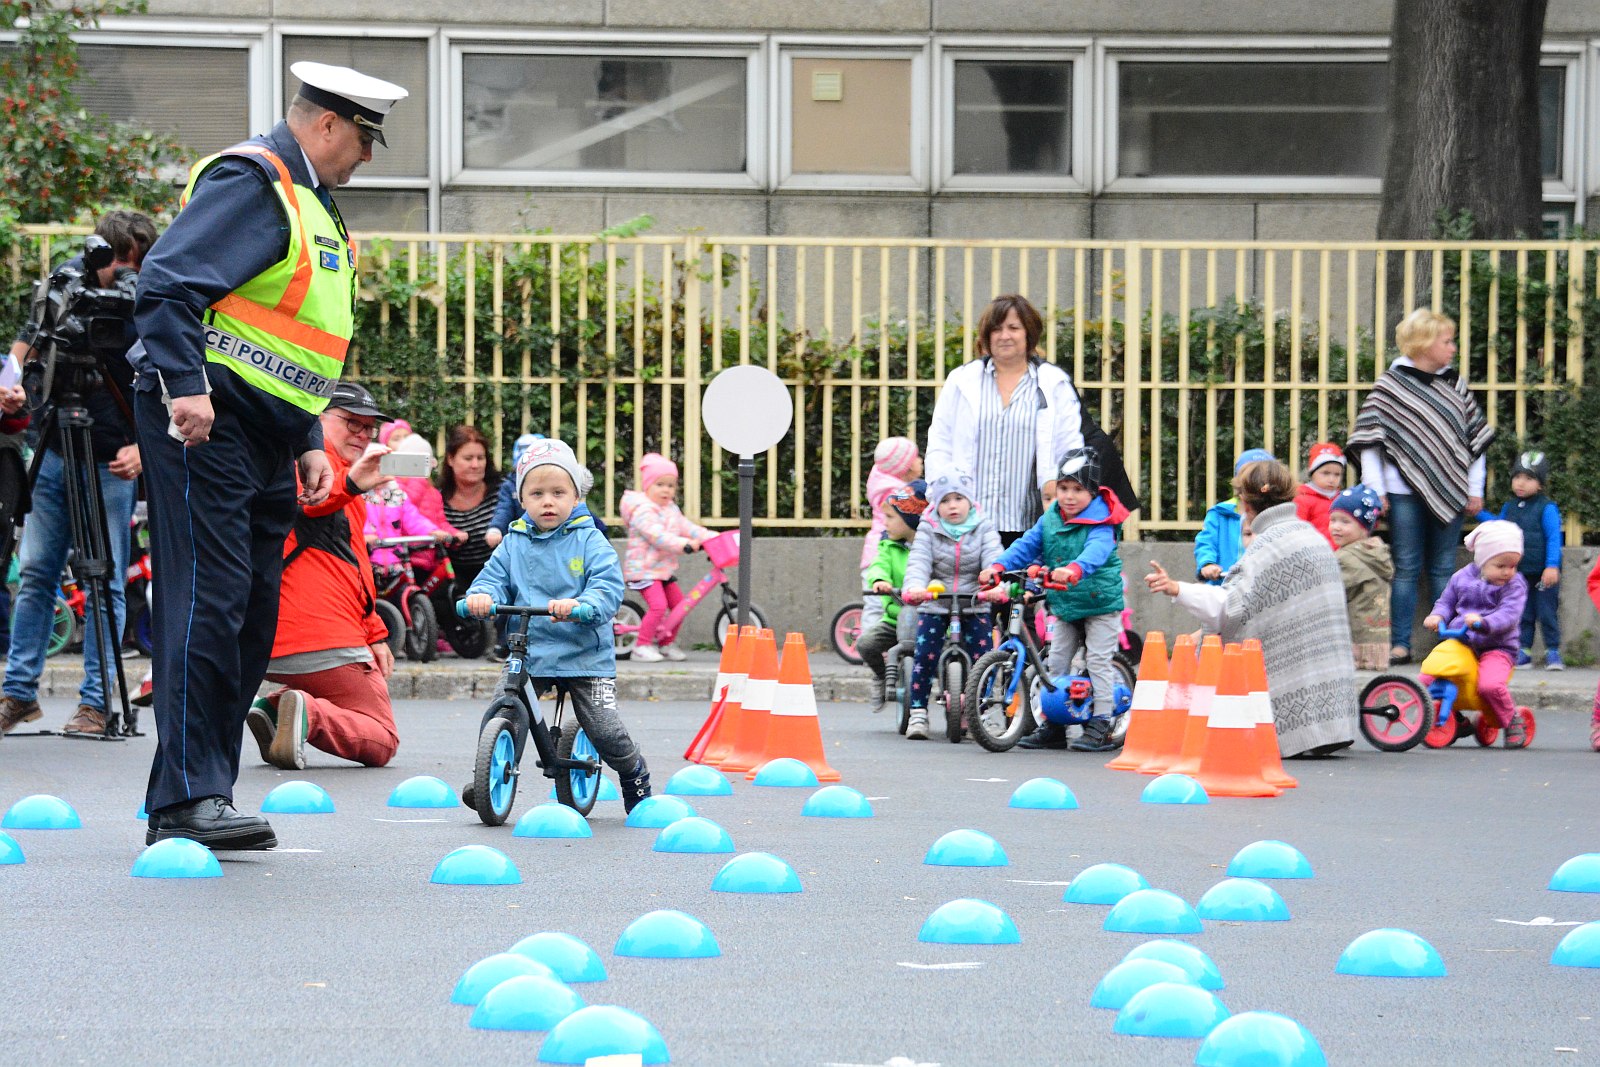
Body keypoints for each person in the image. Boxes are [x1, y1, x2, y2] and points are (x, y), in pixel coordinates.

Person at [129, 61, 408, 849]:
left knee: (252, 611)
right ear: (326, 124)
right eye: (363, 138)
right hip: (205, 423)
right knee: (208, 601)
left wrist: (305, 440)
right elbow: (166, 283)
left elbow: (291, 344)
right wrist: (186, 385)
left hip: (264, 434)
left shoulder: (313, 205)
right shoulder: (257, 182)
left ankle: (205, 791)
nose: (367, 156)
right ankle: (186, 798)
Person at [0, 211, 154, 738]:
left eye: (137, 264)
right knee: (37, 572)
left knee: (105, 579)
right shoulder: (69, 283)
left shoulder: (150, 297)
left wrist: (144, 449)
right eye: (121, 262)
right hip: (54, 447)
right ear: (101, 253)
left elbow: (167, 378)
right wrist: (11, 383)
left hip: (112, 458)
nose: (127, 274)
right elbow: (28, 340)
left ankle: (95, 704)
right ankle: (19, 693)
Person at [462, 438, 652, 811]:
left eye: (558, 492)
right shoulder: (514, 542)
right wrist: (480, 597)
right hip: (530, 649)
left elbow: (607, 586)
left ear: (576, 496)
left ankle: (634, 772)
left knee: (604, 728)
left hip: (585, 653)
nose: (548, 502)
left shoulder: (590, 539)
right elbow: (492, 578)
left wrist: (583, 605)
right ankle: (489, 773)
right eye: (537, 493)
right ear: (522, 499)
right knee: (504, 708)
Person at [1145, 458, 1357, 757]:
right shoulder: (1312, 537)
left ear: (1245, 503)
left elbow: (1228, 609)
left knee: (1213, 647)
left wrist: (1177, 589)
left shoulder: (1267, 546)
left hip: (1292, 718)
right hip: (1335, 712)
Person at [247, 382, 400, 771]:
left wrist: (375, 634)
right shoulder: (307, 464)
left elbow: (354, 569)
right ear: (318, 420)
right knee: (382, 739)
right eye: (352, 422)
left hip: (272, 638)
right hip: (324, 637)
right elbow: (309, 498)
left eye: (369, 428)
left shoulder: (340, 474)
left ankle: (274, 709)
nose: (362, 434)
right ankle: (307, 712)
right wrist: (349, 484)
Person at [1346, 308, 1493, 664]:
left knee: (1444, 568)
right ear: (1425, 344)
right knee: (1407, 567)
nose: (1453, 348)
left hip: (1451, 490)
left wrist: (1475, 489)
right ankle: (1400, 644)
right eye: (1447, 341)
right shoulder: (1390, 385)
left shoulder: (1454, 385)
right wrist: (1376, 490)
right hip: (1401, 492)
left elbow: (1474, 443)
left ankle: (1450, 643)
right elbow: (1371, 443)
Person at [985, 446, 1131, 753]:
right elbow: (1027, 544)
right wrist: (998, 566)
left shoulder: (1102, 520)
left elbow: (1097, 550)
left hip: (1099, 603)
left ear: (1093, 492)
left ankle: (1102, 722)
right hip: (1065, 604)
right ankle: (1054, 723)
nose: (1069, 496)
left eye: (1078, 490)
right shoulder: (1051, 517)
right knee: (1056, 661)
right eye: (1063, 489)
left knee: (1097, 660)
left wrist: (1075, 569)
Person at [924, 295, 1085, 546]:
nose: (1004, 336)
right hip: (969, 525)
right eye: (996, 329)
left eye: (1013, 328)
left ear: (1029, 333)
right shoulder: (961, 381)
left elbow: (1070, 447)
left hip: (1030, 527)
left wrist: (1063, 493)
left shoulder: (1053, 383)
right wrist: (941, 492)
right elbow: (939, 442)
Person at [900, 468, 1002, 740]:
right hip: (936, 600)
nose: (952, 506)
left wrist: (996, 586)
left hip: (974, 600)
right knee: (925, 655)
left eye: (958, 498)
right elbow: (919, 561)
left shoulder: (983, 526)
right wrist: (915, 588)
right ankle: (918, 712)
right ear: (936, 505)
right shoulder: (928, 526)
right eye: (945, 500)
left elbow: (994, 558)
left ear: (970, 501)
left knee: (984, 657)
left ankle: (983, 712)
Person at [1420, 520, 1531, 747]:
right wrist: (1437, 616)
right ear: (1482, 559)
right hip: (1463, 641)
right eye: (1501, 565)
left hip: (1498, 646)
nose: (1508, 572)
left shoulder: (1514, 585)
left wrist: (1485, 622)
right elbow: (1446, 602)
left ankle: (1512, 720)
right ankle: (1454, 719)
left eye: (1513, 566)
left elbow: (1509, 614)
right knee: (1429, 675)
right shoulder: (1461, 577)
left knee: (1489, 686)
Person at [619, 452, 715, 662]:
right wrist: (685, 545)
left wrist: (711, 537)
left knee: (680, 606)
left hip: (662, 569)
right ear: (647, 486)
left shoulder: (671, 509)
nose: (666, 490)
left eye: (671, 485)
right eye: (660, 484)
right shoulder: (643, 510)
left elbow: (687, 527)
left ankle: (665, 643)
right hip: (643, 569)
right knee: (658, 606)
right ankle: (641, 646)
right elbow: (658, 536)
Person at [1478, 450, 1563, 670]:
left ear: (1540, 484)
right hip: (1520, 572)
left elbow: (1554, 538)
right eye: (1517, 477)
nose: (1521, 483)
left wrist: (1552, 566)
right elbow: (1498, 525)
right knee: (1522, 611)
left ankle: (1553, 651)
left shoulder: (1547, 508)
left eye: (1529, 478)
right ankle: (1523, 651)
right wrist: (1479, 513)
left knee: (1547, 612)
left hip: (1543, 573)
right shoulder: (1510, 507)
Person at [859, 480, 925, 709]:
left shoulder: (929, 547)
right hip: (895, 618)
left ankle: (954, 695)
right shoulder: (888, 545)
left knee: (947, 653)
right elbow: (878, 564)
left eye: (890, 517)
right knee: (866, 644)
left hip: (928, 617)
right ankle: (882, 676)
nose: (885, 523)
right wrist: (880, 580)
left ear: (910, 519)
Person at [1327, 486, 1393, 671]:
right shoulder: (1375, 552)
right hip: (1377, 639)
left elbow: (1327, 593)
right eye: (1333, 520)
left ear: (1364, 528)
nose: (1336, 527)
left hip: (1353, 642)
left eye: (1345, 521)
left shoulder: (1346, 558)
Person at [1194, 448, 1274, 585]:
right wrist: (1207, 563)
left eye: (1263, 477)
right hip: (1223, 584)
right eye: (1249, 475)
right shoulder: (1219, 512)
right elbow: (1206, 542)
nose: (1256, 481)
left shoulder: (1276, 513)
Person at [440, 424, 501, 590]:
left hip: (499, 579)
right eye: (468, 458)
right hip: (454, 585)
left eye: (480, 458)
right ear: (450, 459)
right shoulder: (437, 499)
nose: (475, 464)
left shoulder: (502, 492)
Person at [1295, 441, 1345, 547]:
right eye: (1326, 473)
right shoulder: (1302, 498)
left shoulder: (1343, 499)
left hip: (1341, 551)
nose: (1331, 479)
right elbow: (1297, 530)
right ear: (1312, 473)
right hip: (1314, 551)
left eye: (1337, 474)